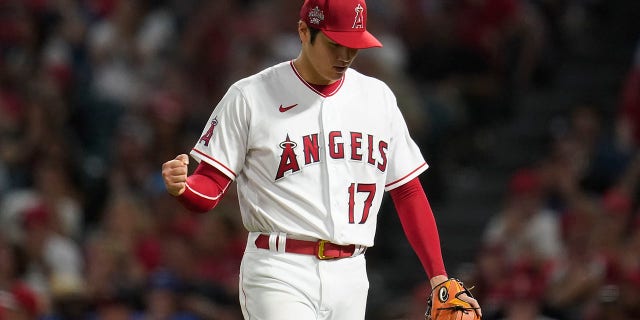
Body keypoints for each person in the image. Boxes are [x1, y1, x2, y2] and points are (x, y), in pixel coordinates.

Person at [161, 0, 481, 319]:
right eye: (335, 44)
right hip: (279, 269)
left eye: (353, 46)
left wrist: (438, 274)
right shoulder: (251, 96)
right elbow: (210, 188)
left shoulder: (377, 98)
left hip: (352, 272)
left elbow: (407, 191)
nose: (345, 56)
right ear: (304, 31)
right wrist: (183, 188)